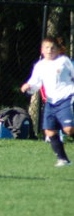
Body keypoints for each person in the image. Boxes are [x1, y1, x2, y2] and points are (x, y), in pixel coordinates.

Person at [20, 37, 74, 167]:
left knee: (69, 130)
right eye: (47, 47)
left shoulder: (64, 61)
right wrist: (28, 87)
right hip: (51, 102)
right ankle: (63, 159)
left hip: (66, 98)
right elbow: (35, 83)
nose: (49, 50)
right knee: (50, 131)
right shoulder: (40, 66)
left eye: (52, 48)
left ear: (58, 50)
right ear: (42, 50)